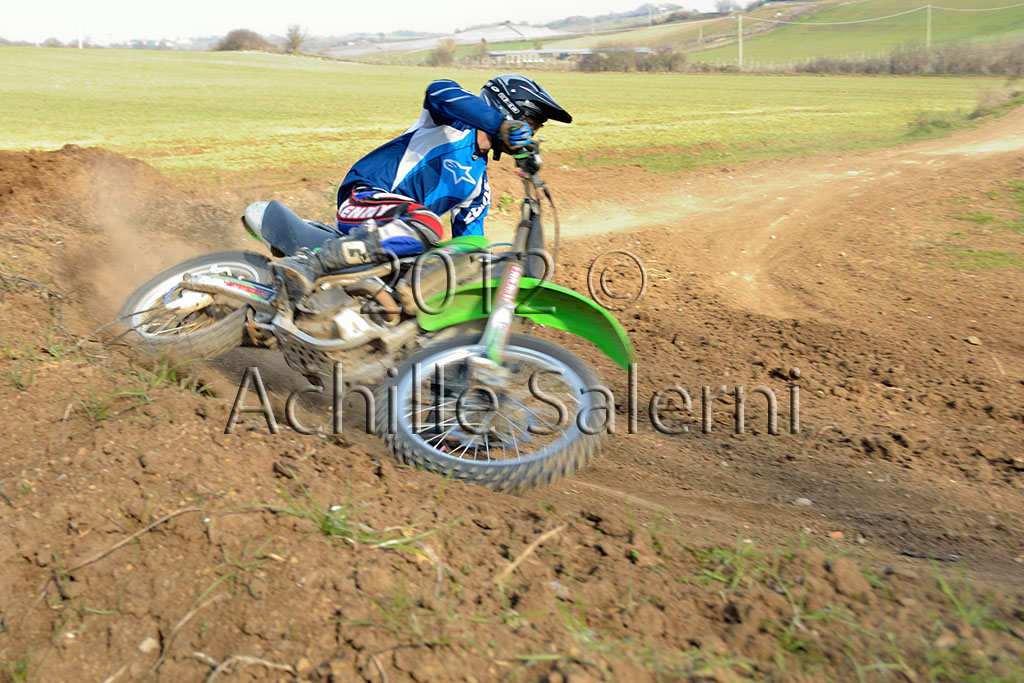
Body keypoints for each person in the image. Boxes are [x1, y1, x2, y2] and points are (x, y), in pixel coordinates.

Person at [272, 74, 572, 303]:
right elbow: (439, 91)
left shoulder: (478, 190)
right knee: (427, 223)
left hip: (400, 238)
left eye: (534, 131)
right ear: (508, 109)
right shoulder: (449, 122)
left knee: (448, 267)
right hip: (362, 200)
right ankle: (309, 263)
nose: (531, 135)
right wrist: (499, 125)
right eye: (530, 124)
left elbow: (469, 248)